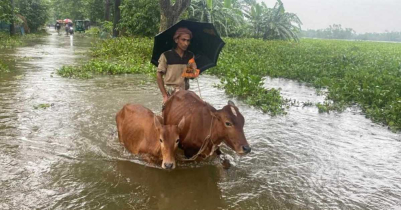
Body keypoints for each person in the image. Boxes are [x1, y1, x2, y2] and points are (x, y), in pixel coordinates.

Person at [157, 27, 197, 104]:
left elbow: (190, 76)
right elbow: (159, 75)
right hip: (170, 92)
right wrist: (165, 95)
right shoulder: (166, 55)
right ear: (176, 40)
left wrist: (193, 69)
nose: (186, 43)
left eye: (188, 41)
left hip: (184, 92)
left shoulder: (190, 56)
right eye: (183, 40)